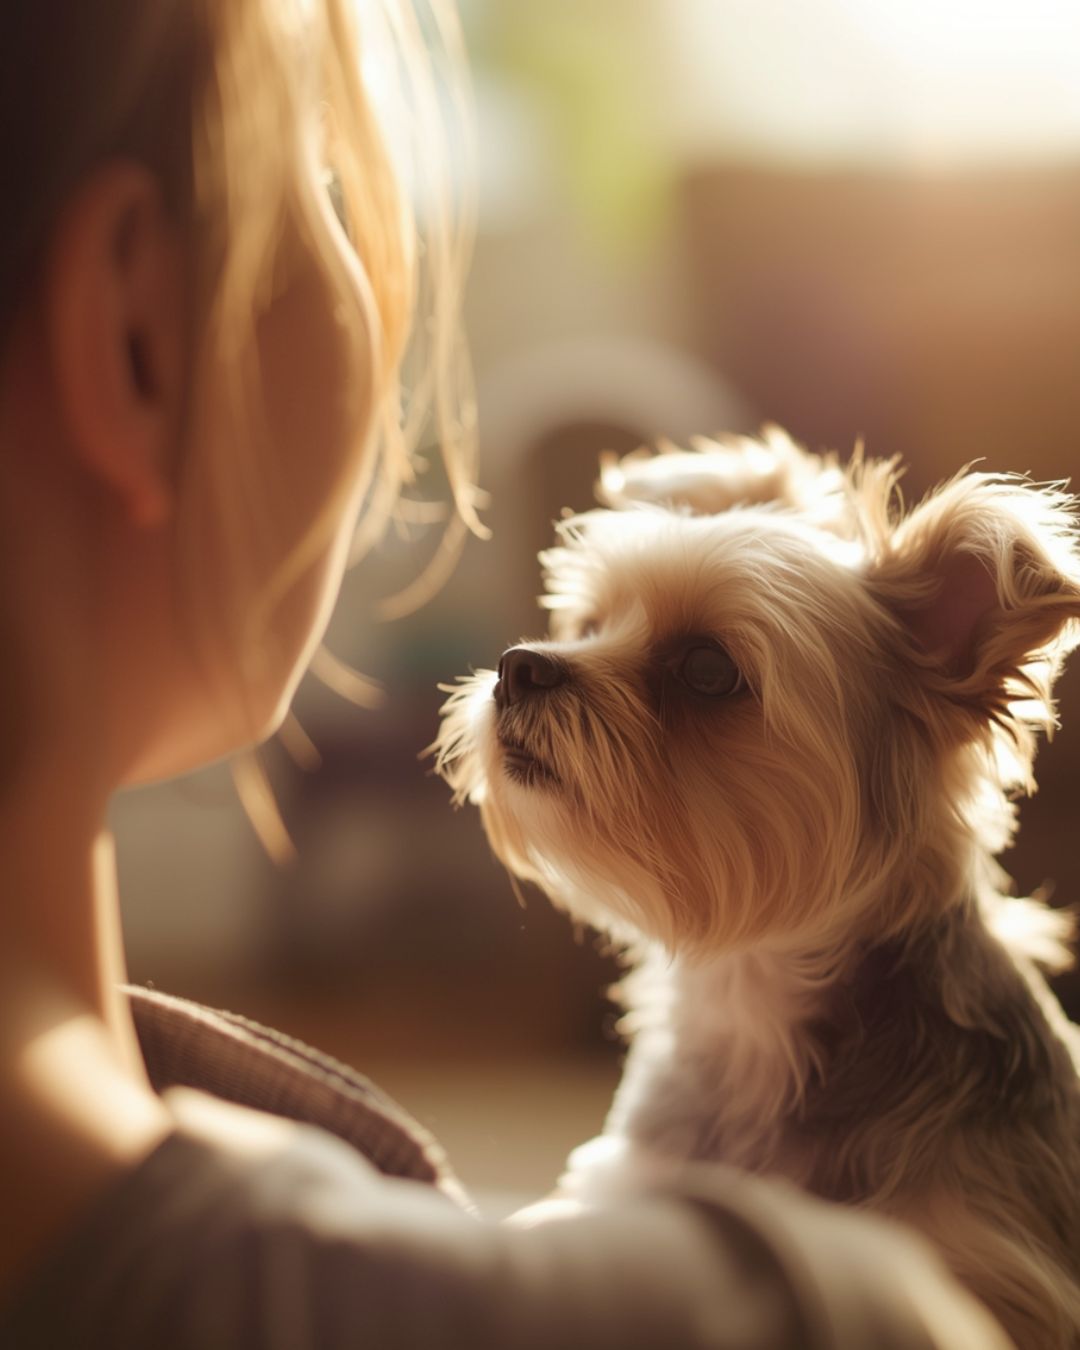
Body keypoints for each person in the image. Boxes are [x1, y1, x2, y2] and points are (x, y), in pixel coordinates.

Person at [0, 2, 1009, 1346]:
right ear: (134, 331)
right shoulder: (807, 1314)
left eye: (698, 674)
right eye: (321, 185)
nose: (540, 666)